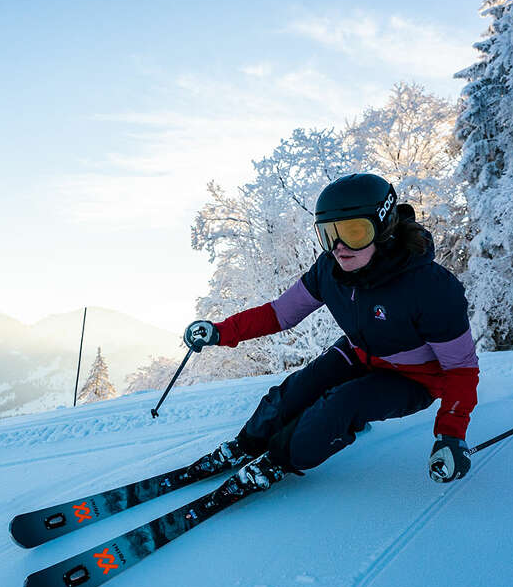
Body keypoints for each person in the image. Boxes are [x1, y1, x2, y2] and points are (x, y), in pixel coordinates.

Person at [183, 173, 479, 491]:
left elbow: (461, 370)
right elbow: (279, 314)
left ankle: (280, 459)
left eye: (354, 232)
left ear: (384, 227)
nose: (339, 247)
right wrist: (221, 331)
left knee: (340, 405)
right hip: (360, 354)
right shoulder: (330, 271)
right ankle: (247, 445)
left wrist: (451, 434)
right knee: (295, 392)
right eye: (329, 234)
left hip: (416, 379)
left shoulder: (431, 289)